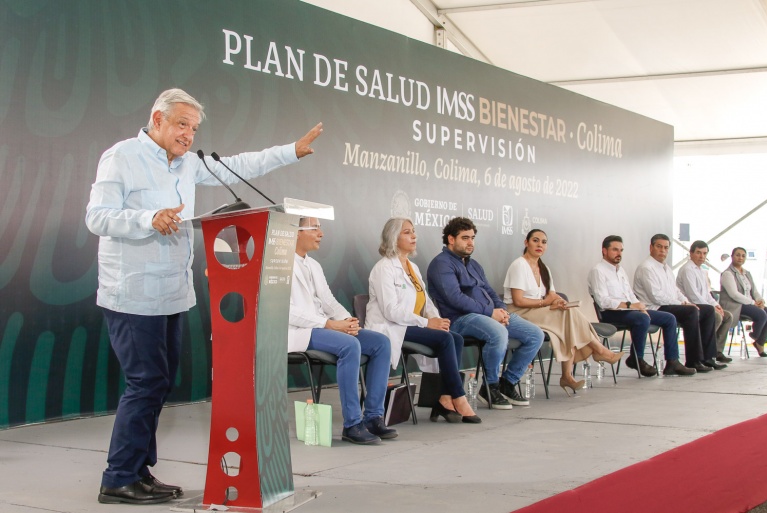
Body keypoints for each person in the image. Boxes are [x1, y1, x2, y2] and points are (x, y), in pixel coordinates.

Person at [85, 88, 322, 505]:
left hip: (172, 293)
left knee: (158, 383)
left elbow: (238, 166)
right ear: (156, 119)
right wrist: (147, 217)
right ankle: (118, 477)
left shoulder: (187, 165)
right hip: (133, 293)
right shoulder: (122, 156)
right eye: (181, 125)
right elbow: (97, 216)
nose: (188, 135)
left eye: (193, 129)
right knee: (145, 383)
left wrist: (292, 151)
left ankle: (138, 471)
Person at [288, 217, 397, 444]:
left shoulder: (314, 265)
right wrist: (329, 324)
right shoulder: (279, 263)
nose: (321, 233)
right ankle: (352, 424)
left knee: (380, 343)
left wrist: (347, 320)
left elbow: (328, 300)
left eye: (320, 227)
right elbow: (285, 311)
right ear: (296, 232)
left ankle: (373, 416)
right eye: (315, 228)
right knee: (349, 345)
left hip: (323, 325)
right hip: (299, 331)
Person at [366, 218, 480, 423]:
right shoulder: (384, 268)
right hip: (390, 326)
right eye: (407, 232)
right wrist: (427, 323)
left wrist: (436, 319)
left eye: (414, 231)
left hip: (410, 323)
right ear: (393, 238)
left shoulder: (412, 267)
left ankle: (445, 398)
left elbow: (426, 302)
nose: (414, 236)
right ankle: (459, 397)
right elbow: (391, 311)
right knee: (445, 340)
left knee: (455, 338)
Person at [427, 217, 544, 409]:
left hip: (487, 315)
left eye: (472, 237)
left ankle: (508, 382)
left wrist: (502, 311)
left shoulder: (474, 265)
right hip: (459, 320)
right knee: (498, 332)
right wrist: (490, 313)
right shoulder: (441, 264)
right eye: (465, 238)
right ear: (450, 239)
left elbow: (489, 291)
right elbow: (455, 298)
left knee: (535, 335)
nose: (470, 242)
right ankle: (490, 387)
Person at [504, 229, 622, 396]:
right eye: (535, 241)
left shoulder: (544, 268)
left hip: (538, 309)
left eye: (543, 242)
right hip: (520, 313)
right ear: (526, 243)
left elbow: (551, 294)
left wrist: (558, 300)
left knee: (568, 312)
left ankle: (569, 375)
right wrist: (546, 302)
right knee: (567, 318)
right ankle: (598, 351)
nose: (540, 245)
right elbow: (518, 301)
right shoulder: (519, 265)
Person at [588, 235, 694, 376]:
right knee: (642, 319)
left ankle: (672, 362)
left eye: (621, 250)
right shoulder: (598, 271)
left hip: (629, 310)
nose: (619, 253)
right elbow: (603, 301)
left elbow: (630, 294)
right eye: (615, 250)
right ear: (604, 251)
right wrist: (630, 306)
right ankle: (637, 358)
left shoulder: (620, 270)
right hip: (610, 312)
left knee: (669, 318)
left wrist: (640, 307)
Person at [633, 234, 726, 372]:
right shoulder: (646, 267)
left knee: (707, 310)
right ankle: (693, 361)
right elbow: (656, 296)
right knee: (691, 311)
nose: (663, 250)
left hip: (668, 304)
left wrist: (686, 302)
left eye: (666, 248)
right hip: (654, 307)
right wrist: (682, 304)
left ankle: (707, 357)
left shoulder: (666, 268)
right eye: (659, 247)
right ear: (651, 247)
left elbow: (675, 291)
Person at [676, 240, 733, 363]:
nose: (702, 256)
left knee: (728, 316)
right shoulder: (687, 269)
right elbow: (693, 296)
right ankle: (705, 355)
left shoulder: (701, 270)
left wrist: (717, 305)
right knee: (716, 316)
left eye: (704, 253)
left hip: (702, 305)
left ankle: (716, 351)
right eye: (698, 253)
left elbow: (706, 294)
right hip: (690, 307)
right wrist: (712, 308)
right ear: (691, 253)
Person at [719, 247, 767, 357]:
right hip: (736, 304)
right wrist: (753, 303)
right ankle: (755, 335)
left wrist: (760, 301)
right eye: (737, 255)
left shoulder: (747, 273)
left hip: (750, 303)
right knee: (762, 314)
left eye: (743, 255)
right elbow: (734, 294)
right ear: (732, 256)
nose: (740, 258)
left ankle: (759, 343)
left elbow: (754, 291)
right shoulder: (728, 274)